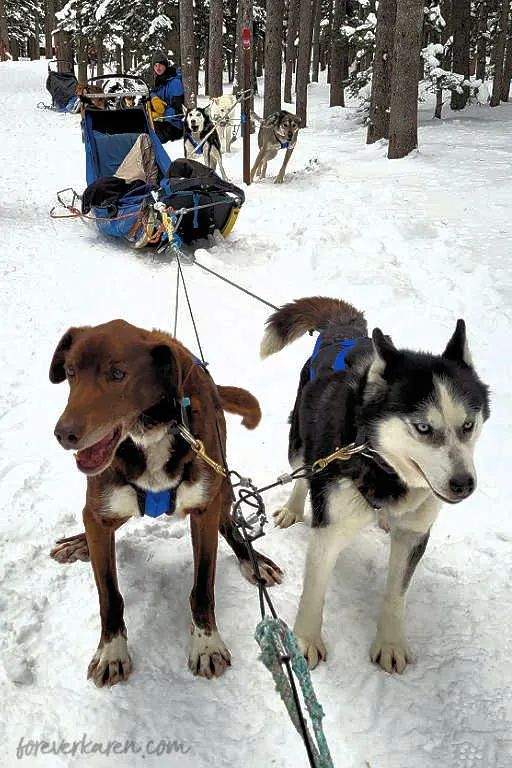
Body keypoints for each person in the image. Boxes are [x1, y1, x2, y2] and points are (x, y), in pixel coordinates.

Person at [149, 51, 184, 143]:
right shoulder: (159, 81)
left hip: (174, 125)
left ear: (166, 65)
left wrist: (161, 116)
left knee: (151, 140)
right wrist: (153, 97)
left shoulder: (175, 82)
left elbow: (178, 109)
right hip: (161, 122)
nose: (158, 68)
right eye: (155, 65)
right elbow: (153, 93)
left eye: (160, 65)